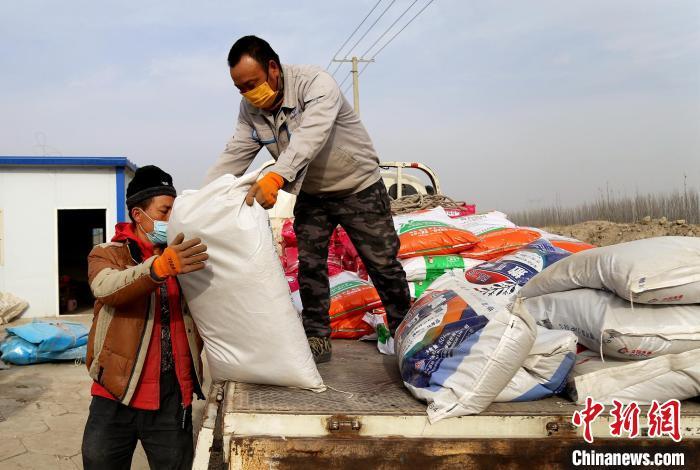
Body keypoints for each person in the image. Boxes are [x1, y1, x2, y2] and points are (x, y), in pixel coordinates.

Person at [205, 35, 411, 363]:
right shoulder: (250, 110)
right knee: (310, 266)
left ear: (273, 68)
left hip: (358, 186)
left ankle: (405, 333)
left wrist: (275, 176)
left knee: (383, 265)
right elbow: (235, 153)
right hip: (312, 195)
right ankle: (316, 339)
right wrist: (203, 197)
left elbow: (309, 138)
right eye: (240, 88)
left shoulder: (316, 85)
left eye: (252, 83)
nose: (247, 94)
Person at [81, 165, 208, 470]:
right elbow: (106, 287)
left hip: (172, 396)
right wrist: (156, 269)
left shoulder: (185, 255)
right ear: (139, 215)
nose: (171, 220)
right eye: (165, 212)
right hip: (115, 392)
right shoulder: (106, 253)